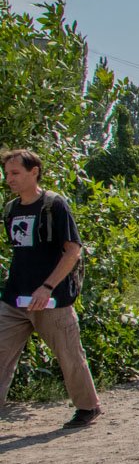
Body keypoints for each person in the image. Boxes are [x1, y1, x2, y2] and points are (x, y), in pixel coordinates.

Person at [0, 149, 102, 428]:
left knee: (70, 356)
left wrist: (47, 287)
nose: (9, 179)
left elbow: (73, 251)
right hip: (14, 298)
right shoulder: (10, 209)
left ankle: (88, 408)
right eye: (7, 173)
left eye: (15, 173)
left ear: (34, 172)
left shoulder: (54, 205)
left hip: (51, 300)